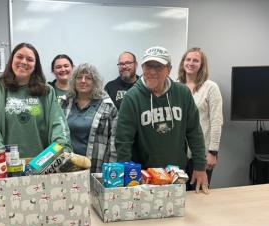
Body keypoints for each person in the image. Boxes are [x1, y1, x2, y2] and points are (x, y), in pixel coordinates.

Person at [115, 46, 209, 194]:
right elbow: (123, 141)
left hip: (177, 175)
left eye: (158, 66)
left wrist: (199, 166)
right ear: (142, 67)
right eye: (148, 66)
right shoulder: (132, 97)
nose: (152, 71)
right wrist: (127, 177)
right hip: (144, 177)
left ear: (169, 70)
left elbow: (194, 132)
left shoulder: (182, 94)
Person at [0, 42, 72, 164]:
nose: (24, 62)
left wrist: (61, 152)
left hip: (41, 166)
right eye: (19, 57)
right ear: (12, 59)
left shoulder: (47, 91)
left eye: (30, 59)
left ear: (35, 65)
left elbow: (59, 125)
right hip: (6, 166)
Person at [178, 47, 223, 189]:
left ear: (202, 65)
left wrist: (212, 152)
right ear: (183, 62)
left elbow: (217, 121)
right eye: (188, 59)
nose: (191, 63)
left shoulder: (211, 87)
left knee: (199, 193)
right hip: (178, 154)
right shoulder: (174, 85)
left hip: (201, 154)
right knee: (177, 196)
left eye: (196, 60)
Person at [61, 63, 117, 173]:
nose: (83, 81)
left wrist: (110, 170)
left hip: (95, 167)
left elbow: (113, 142)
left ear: (94, 82)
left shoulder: (107, 106)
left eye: (88, 78)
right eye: (79, 77)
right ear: (74, 80)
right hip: (66, 167)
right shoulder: (64, 103)